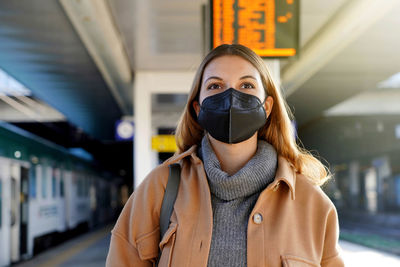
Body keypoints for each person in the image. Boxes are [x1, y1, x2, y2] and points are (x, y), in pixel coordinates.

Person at [106, 44, 345, 267]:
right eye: (215, 86)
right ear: (198, 108)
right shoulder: (160, 188)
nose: (231, 96)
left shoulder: (313, 204)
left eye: (247, 86)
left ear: (267, 106)